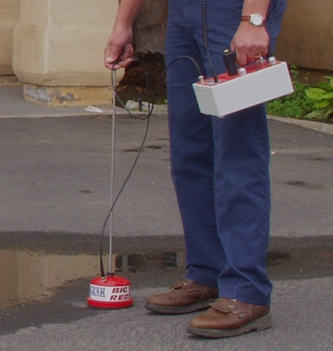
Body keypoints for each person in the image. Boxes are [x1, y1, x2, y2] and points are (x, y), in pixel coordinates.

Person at [105, 0, 287, 339]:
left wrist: (254, 18)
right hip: (183, 12)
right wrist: (123, 23)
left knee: (237, 150)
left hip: (234, 11)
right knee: (189, 149)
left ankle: (247, 292)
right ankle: (207, 273)